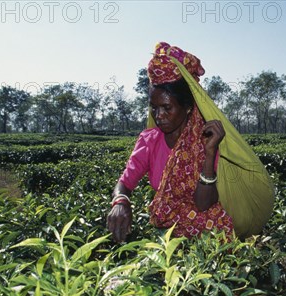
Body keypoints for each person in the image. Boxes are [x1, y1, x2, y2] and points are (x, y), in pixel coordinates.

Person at [107, 42, 274, 242]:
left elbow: (204, 203)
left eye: (167, 108)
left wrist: (210, 152)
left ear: (187, 107)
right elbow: (124, 183)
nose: (159, 116)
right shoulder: (149, 141)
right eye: (154, 108)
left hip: (207, 233)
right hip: (167, 231)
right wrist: (120, 201)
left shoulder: (205, 139)